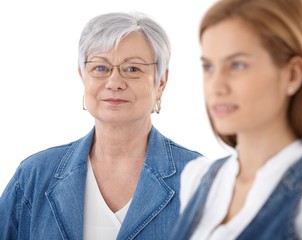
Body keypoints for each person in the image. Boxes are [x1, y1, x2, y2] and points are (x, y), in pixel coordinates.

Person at [0, 12, 202, 239]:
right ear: (83, 76)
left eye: (133, 69)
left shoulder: (201, 179)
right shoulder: (33, 176)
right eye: (100, 68)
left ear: (161, 81)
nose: (114, 82)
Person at [171, 0, 302, 239]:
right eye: (208, 67)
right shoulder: (197, 178)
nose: (216, 86)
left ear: (293, 74)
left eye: (237, 65)